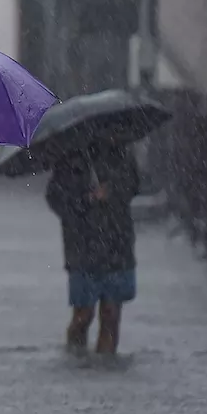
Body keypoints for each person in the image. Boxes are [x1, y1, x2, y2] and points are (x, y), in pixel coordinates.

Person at [45, 143, 140, 354]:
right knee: (83, 315)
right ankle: (77, 360)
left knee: (111, 314)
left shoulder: (122, 151)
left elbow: (133, 185)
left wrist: (112, 191)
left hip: (117, 244)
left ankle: (105, 370)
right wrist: (85, 200)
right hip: (82, 246)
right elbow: (55, 198)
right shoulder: (68, 158)